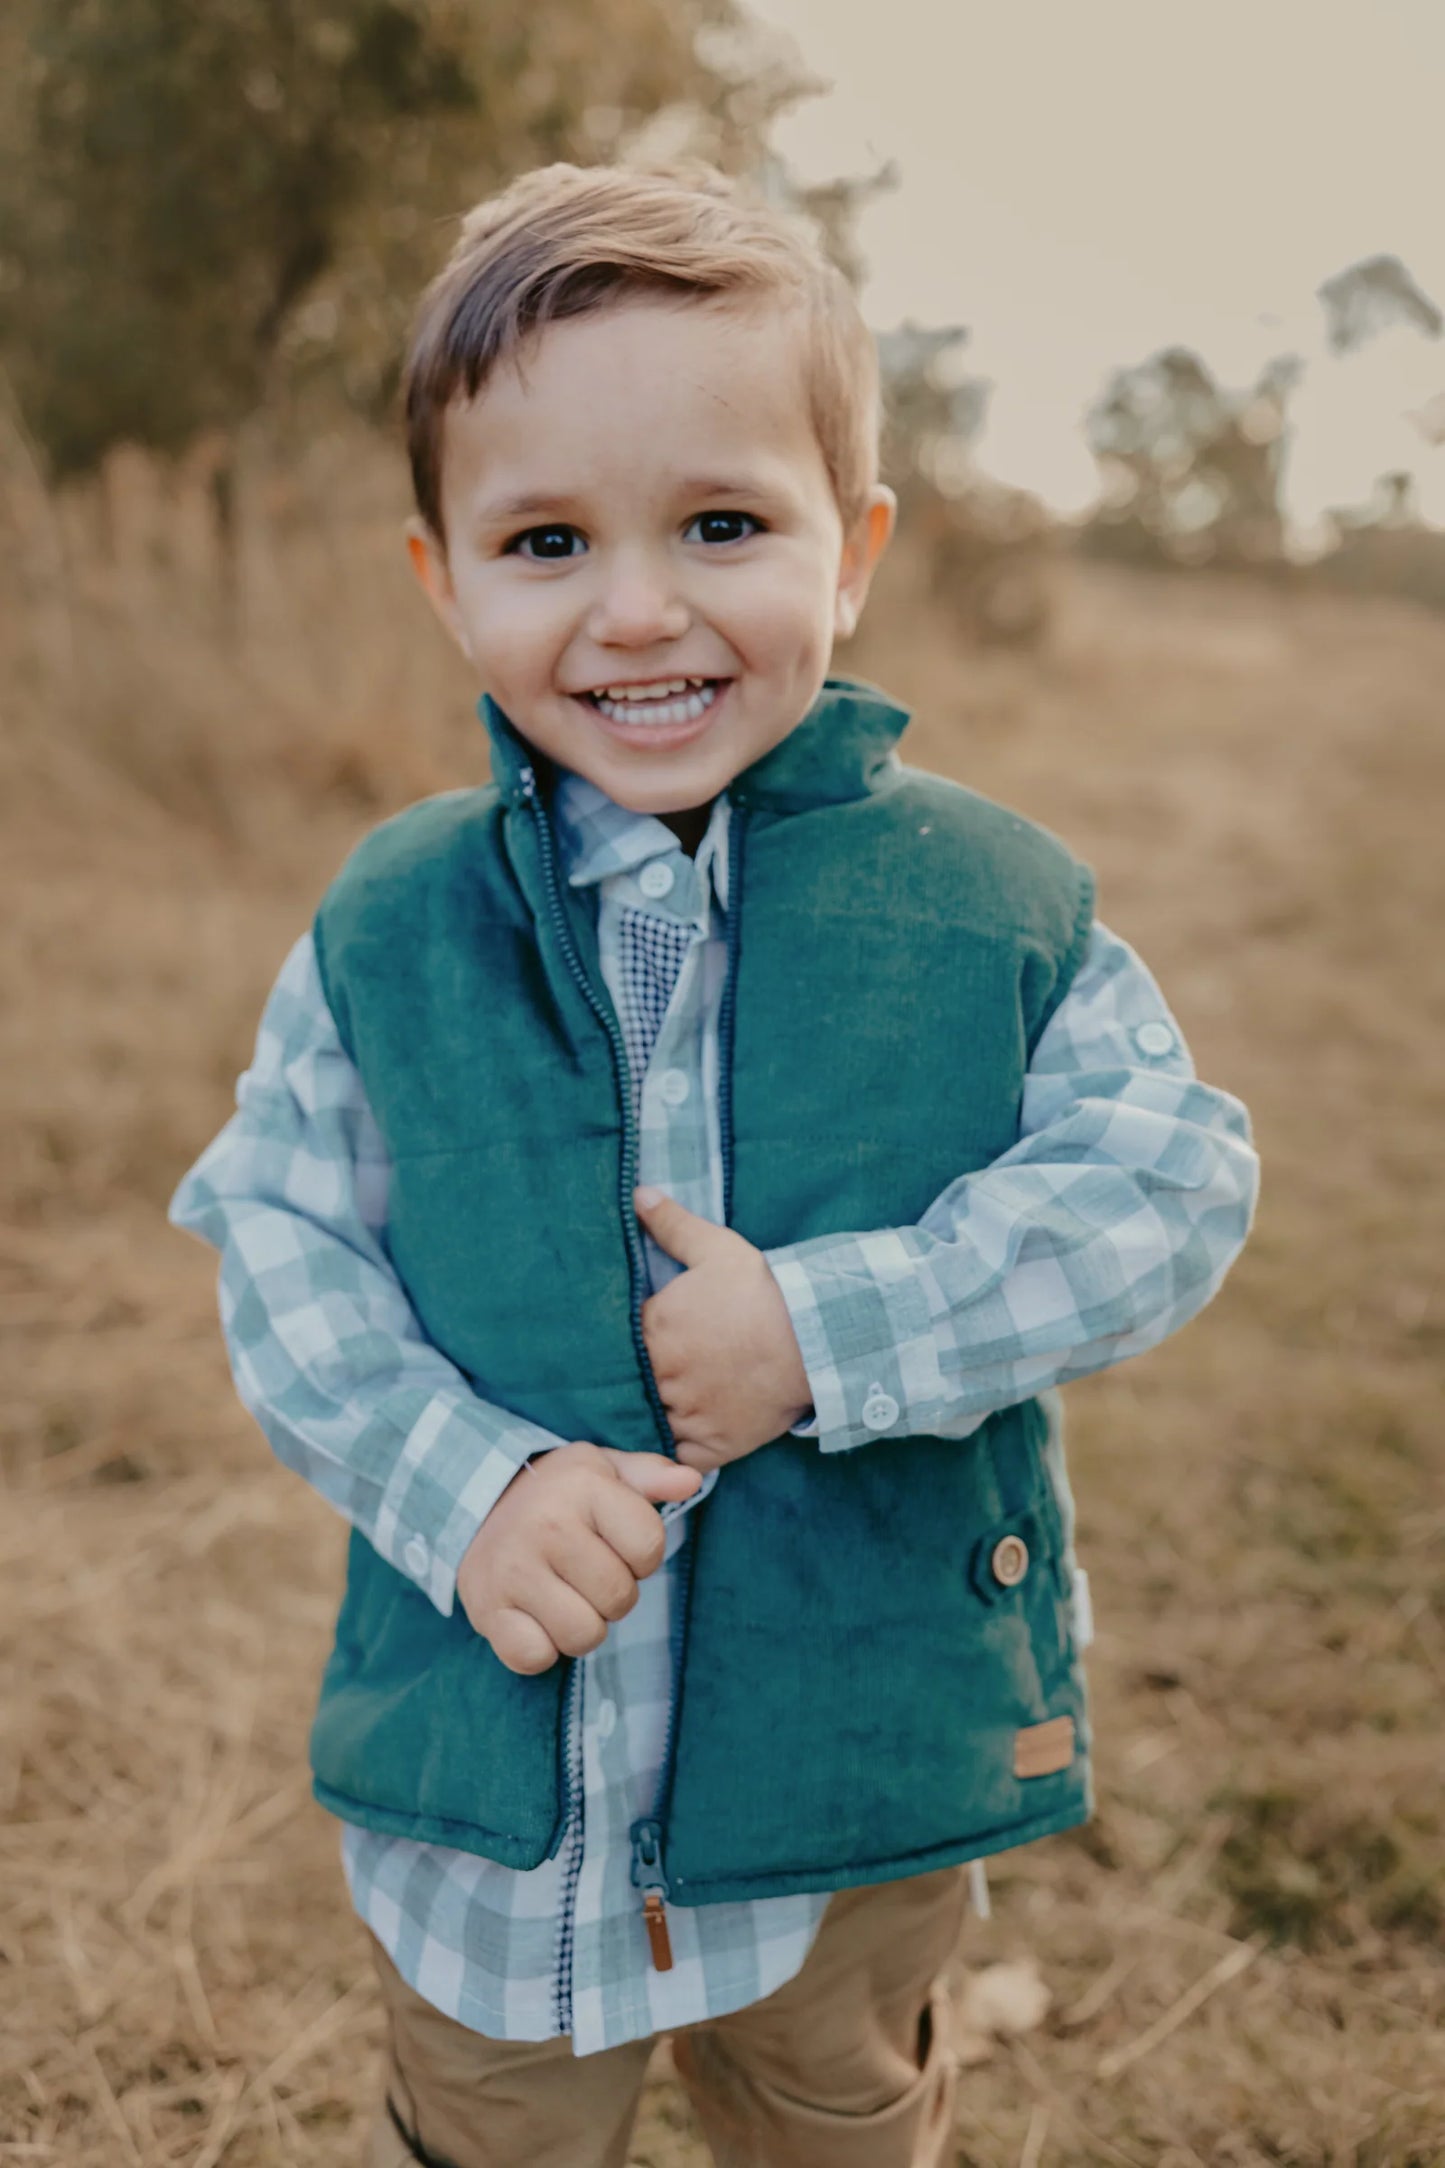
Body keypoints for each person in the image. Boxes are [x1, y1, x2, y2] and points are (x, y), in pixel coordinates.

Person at [169, 160, 1259, 2168]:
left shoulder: (990, 902)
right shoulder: (390, 928)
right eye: (550, 538)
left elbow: (1171, 1179)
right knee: (490, 2125)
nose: (640, 605)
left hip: (856, 1767)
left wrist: (837, 1327)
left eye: (724, 525)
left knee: (830, 2108)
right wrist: (469, 1483)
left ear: (851, 552)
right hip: (497, 1807)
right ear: (446, 577)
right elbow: (281, 1238)